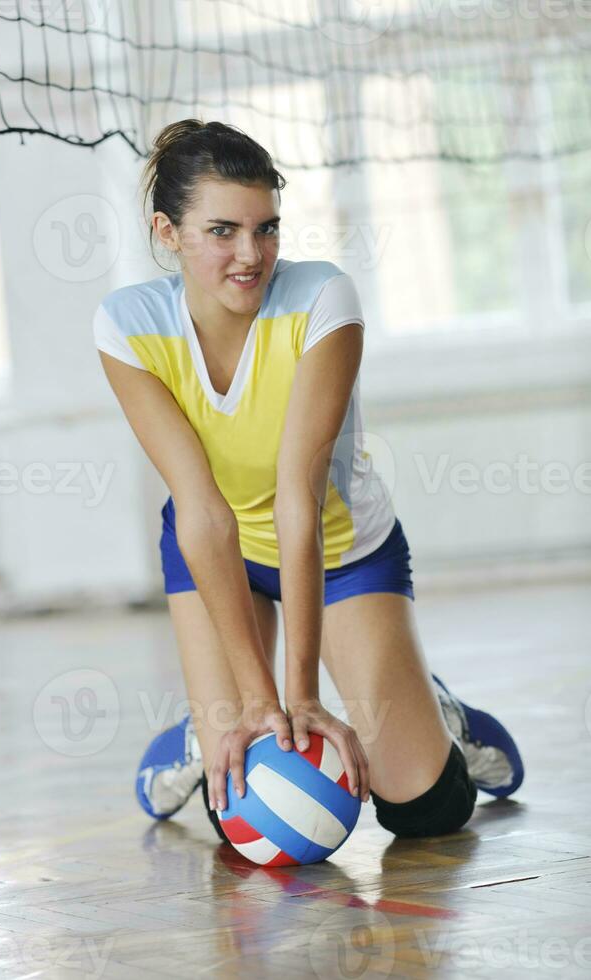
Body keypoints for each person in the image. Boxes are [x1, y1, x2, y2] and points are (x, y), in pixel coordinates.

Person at [93, 119, 524, 844]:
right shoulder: (127, 326)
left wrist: (301, 696)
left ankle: (438, 714)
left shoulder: (323, 299)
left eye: (266, 229)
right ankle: (205, 734)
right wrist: (260, 704)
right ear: (168, 232)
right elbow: (200, 511)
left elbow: (299, 497)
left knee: (425, 812)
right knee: (242, 805)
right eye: (222, 230)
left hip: (341, 549)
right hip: (213, 552)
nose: (250, 254)